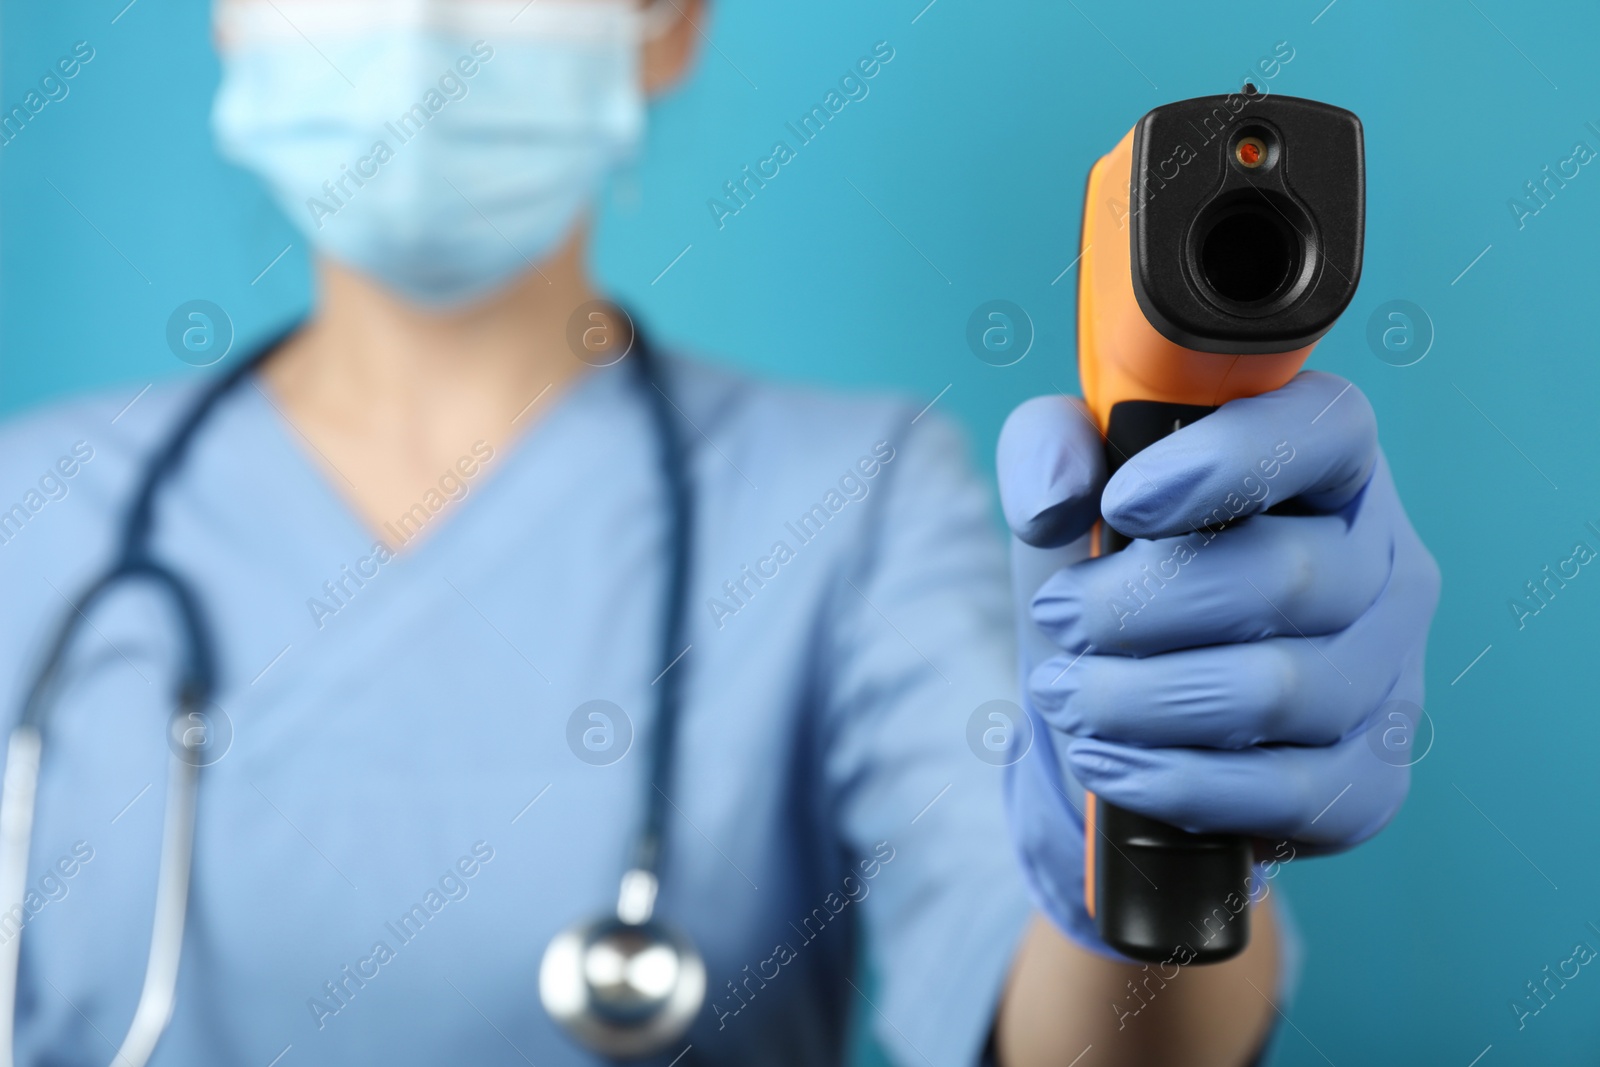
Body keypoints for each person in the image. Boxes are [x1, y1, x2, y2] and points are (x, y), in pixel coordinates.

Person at [0, 1, 1438, 1064]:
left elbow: (1076, 1045)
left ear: (665, 23)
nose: (423, 18)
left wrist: (1149, 844)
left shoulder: (850, 502)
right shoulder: (28, 511)